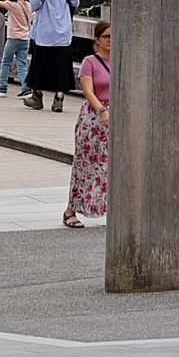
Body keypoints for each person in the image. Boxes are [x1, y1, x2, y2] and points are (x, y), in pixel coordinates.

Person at [63, 22, 114, 227]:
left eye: (112, 37)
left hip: (116, 113)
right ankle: (71, 209)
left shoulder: (121, 60)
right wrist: (102, 110)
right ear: (97, 40)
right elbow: (88, 91)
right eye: (106, 37)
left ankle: (108, 207)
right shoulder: (89, 61)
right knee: (86, 164)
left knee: (111, 166)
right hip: (94, 117)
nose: (110, 41)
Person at [23, 0, 80, 110]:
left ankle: (37, 95)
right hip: (63, 31)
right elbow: (75, 1)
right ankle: (59, 98)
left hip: (45, 31)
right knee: (61, 66)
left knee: (40, 65)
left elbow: (33, 4)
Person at [0, 0, 33, 99]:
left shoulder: (12, 4)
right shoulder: (28, 5)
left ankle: (2, 87)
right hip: (25, 38)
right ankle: (26, 88)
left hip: (13, 38)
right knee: (22, 65)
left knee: (5, 62)